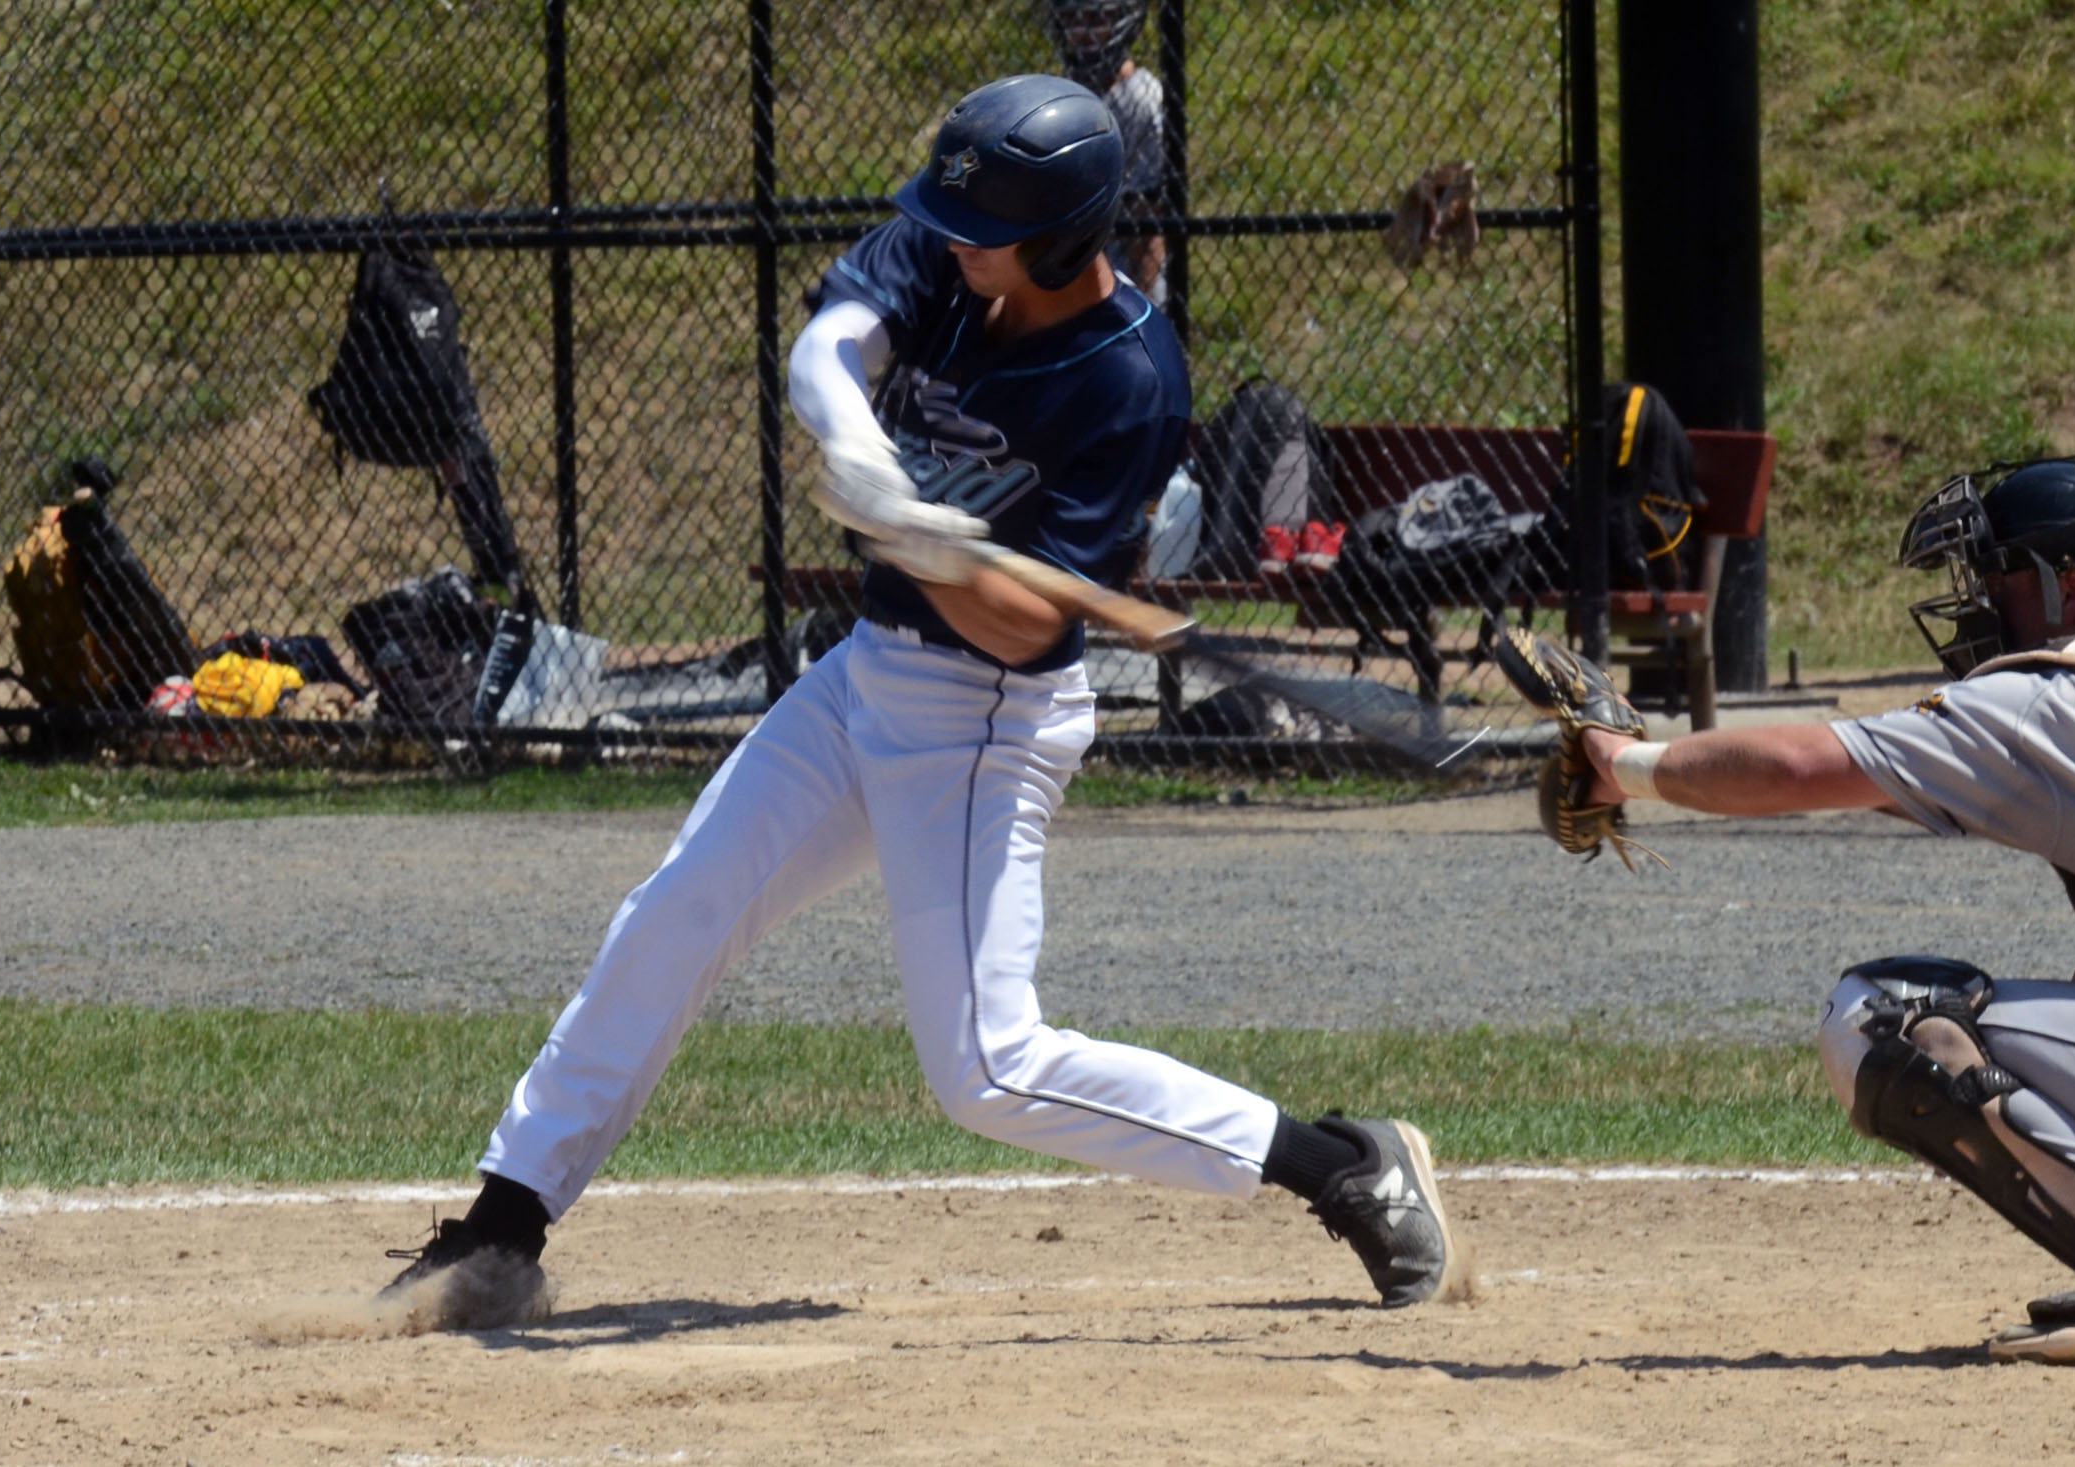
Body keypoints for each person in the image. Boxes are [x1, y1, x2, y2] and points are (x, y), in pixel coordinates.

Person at [377, 74, 1472, 1331]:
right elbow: (830, 342)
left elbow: (1028, 624)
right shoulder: (958, 241)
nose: (953, 241)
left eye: (986, 230)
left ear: (1063, 237)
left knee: (989, 1070)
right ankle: (504, 1230)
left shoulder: (1129, 381)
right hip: (863, 679)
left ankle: (1343, 1165)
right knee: (678, 910)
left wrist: (922, 546)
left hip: (983, 721)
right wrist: (860, 449)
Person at [1561, 456, 2075, 1365]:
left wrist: (1621, 762)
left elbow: (1799, 767)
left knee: (1884, 1019)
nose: (1974, 599)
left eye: (2000, 576)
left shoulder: (2045, 703)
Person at [1045, 2, 1167, 302]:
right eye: (1071, 19)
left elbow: (1147, 215)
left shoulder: (1139, 96)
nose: (1081, 33)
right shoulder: (1059, 93)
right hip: (1067, 269)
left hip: (1123, 271)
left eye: (1095, 19)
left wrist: (1143, 302)